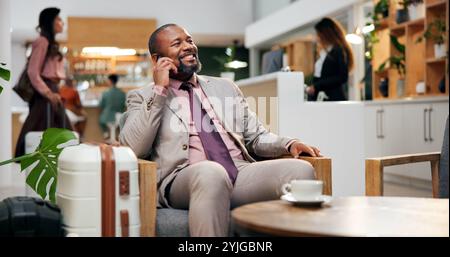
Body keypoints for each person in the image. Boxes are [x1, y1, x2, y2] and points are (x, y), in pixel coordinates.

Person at [119, 24, 322, 237]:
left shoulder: (225, 87)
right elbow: (133, 148)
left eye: (189, 40)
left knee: (301, 171)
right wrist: (159, 89)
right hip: (183, 178)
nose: (188, 46)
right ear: (156, 59)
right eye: (177, 43)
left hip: (238, 172)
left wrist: (288, 144)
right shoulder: (143, 96)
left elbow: (256, 136)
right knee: (212, 173)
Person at [15, 7, 72, 158]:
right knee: (44, 127)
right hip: (45, 93)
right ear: (50, 22)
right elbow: (33, 72)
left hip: (50, 90)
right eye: (59, 19)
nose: (62, 23)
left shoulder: (49, 42)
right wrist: (49, 93)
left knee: (50, 127)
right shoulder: (42, 42)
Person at [306, 17, 354, 101]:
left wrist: (317, 86)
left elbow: (342, 77)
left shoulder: (339, 50)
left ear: (326, 34)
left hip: (333, 98)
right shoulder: (324, 51)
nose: (317, 37)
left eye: (318, 34)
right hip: (321, 97)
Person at [99, 74, 126, 138]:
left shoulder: (106, 93)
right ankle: (117, 137)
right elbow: (123, 106)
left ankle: (106, 133)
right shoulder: (122, 93)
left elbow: (101, 105)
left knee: (101, 120)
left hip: (108, 117)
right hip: (120, 116)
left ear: (110, 81)